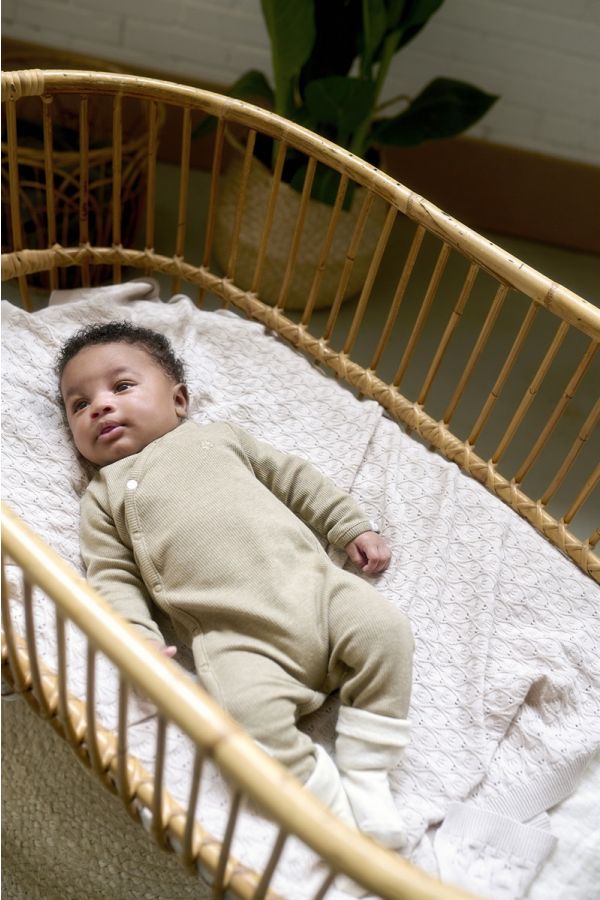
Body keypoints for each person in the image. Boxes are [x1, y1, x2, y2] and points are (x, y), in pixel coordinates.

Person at [56, 320, 414, 850]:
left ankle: (367, 770)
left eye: (122, 386)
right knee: (244, 721)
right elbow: (111, 576)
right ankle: (330, 810)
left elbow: (294, 478)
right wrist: (137, 639)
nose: (101, 407)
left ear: (179, 400)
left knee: (386, 631)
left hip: (317, 591)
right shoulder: (103, 497)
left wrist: (349, 525)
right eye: (79, 405)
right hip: (235, 638)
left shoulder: (219, 438)